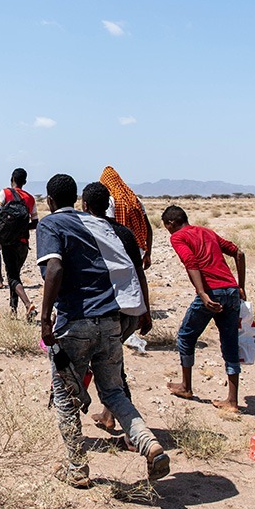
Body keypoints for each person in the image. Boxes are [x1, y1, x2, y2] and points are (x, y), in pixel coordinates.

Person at [37, 173, 169, 488]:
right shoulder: (96, 224)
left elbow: (54, 267)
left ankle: (77, 468)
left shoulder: (51, 224)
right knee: (112, 391)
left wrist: (44, 319)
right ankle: (147, 442)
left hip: (77, 321)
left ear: (50, 201)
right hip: (112, 320)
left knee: (66, 396)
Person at [81, 181, 152, 434]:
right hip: (130, 308)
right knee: (113, 363)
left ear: (84, 205)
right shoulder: (125, 233)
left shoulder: (87, 232)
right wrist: (146, 310)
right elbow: (139, 274)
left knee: (111, 369)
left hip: (104, 310)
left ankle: (132, 430)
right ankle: (109, 416)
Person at [161, 205, 246, 412]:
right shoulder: (206, 231)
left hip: (212, 293)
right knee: (230, 343)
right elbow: (239, 252)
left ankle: (186, 386)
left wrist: (202, 293)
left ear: (171, 223)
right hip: (231, 291)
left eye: (166, 227)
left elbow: (190, 261)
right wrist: (241, 286)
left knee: (185, 336)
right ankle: (232, 401)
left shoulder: (178, 237)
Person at [0, 168, 38, 319]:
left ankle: (28, 304)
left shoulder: (5, 193)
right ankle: (13, 311)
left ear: (12, 179)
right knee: (15, 275)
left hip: (9, 243)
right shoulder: (31, 198)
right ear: (25, 182)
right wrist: (22, 228)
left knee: (12, 277)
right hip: (23, 243)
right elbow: (35, 222)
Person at [100, 165, 153, 270]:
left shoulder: (111, 201)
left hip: (119, 251)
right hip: (138, 248)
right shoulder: (135, 199)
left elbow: (110, 227)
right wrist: (148, 253)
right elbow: (148, 228)